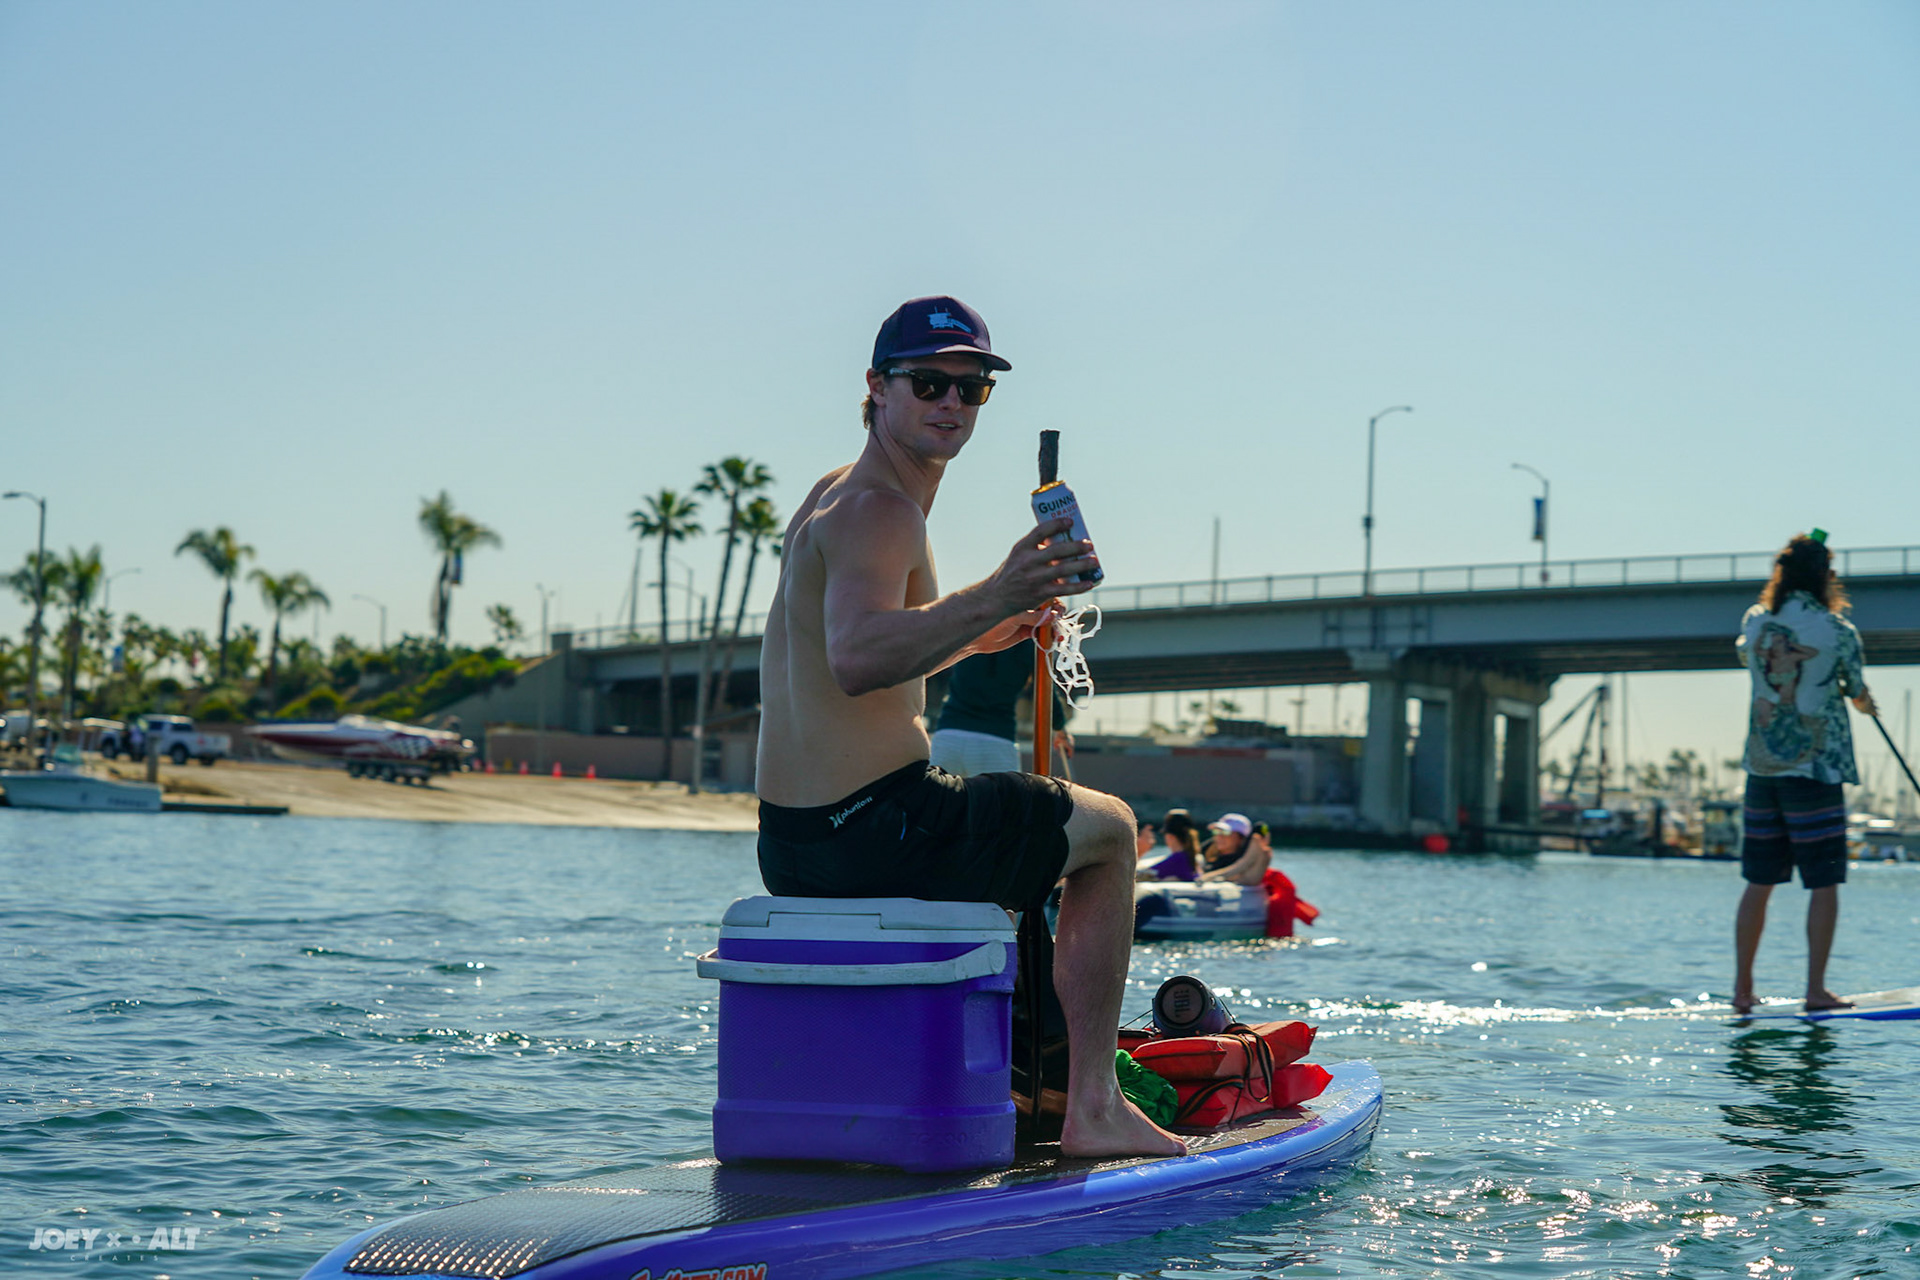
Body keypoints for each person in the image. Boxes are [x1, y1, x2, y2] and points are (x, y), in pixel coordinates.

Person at [753, 294, 1185, 1159]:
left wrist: (995, 629)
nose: (951, 402)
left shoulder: (834, 494)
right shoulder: (885, 509)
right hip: (880, 826)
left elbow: (867, 666)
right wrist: (997, 591)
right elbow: (856, 659)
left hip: (794, 839)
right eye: (928, 382)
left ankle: (1012, 1085)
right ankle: (1090, 1105)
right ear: (876, 387)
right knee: (1109, 833)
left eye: (971, 388)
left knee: (1030, 832)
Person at [1732, 531, 1876, 1015]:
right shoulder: (1836, 630)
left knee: (1759, 881)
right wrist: (1863, 700)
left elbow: (1747, 662)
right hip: (1814, 769)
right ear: (1825, 578)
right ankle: (1816, 990)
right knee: (1823, 881)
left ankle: (1742, 991)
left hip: (1762, 767)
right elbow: (1854, 685)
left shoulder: (1755, 623)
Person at [929, 645, 1071, 777]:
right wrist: (1060, 730)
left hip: (948, 738)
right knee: (1005, 804)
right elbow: (1046, 691)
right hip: (996, 741)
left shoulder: (972, 625)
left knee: (936, 804)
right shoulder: (1028, 640)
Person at [1199, 812, 1268, 885]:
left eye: (1225, 832)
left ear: (1241, 838)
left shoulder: (1247, 863)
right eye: (1216, 832)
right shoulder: (1203, 855)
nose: (1219, 837)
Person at [1137, 808, 1202, 882]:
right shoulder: (1189, 857)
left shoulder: (1178, 859)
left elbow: (1141, 875)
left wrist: (1140, 850)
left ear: (1170, 836)